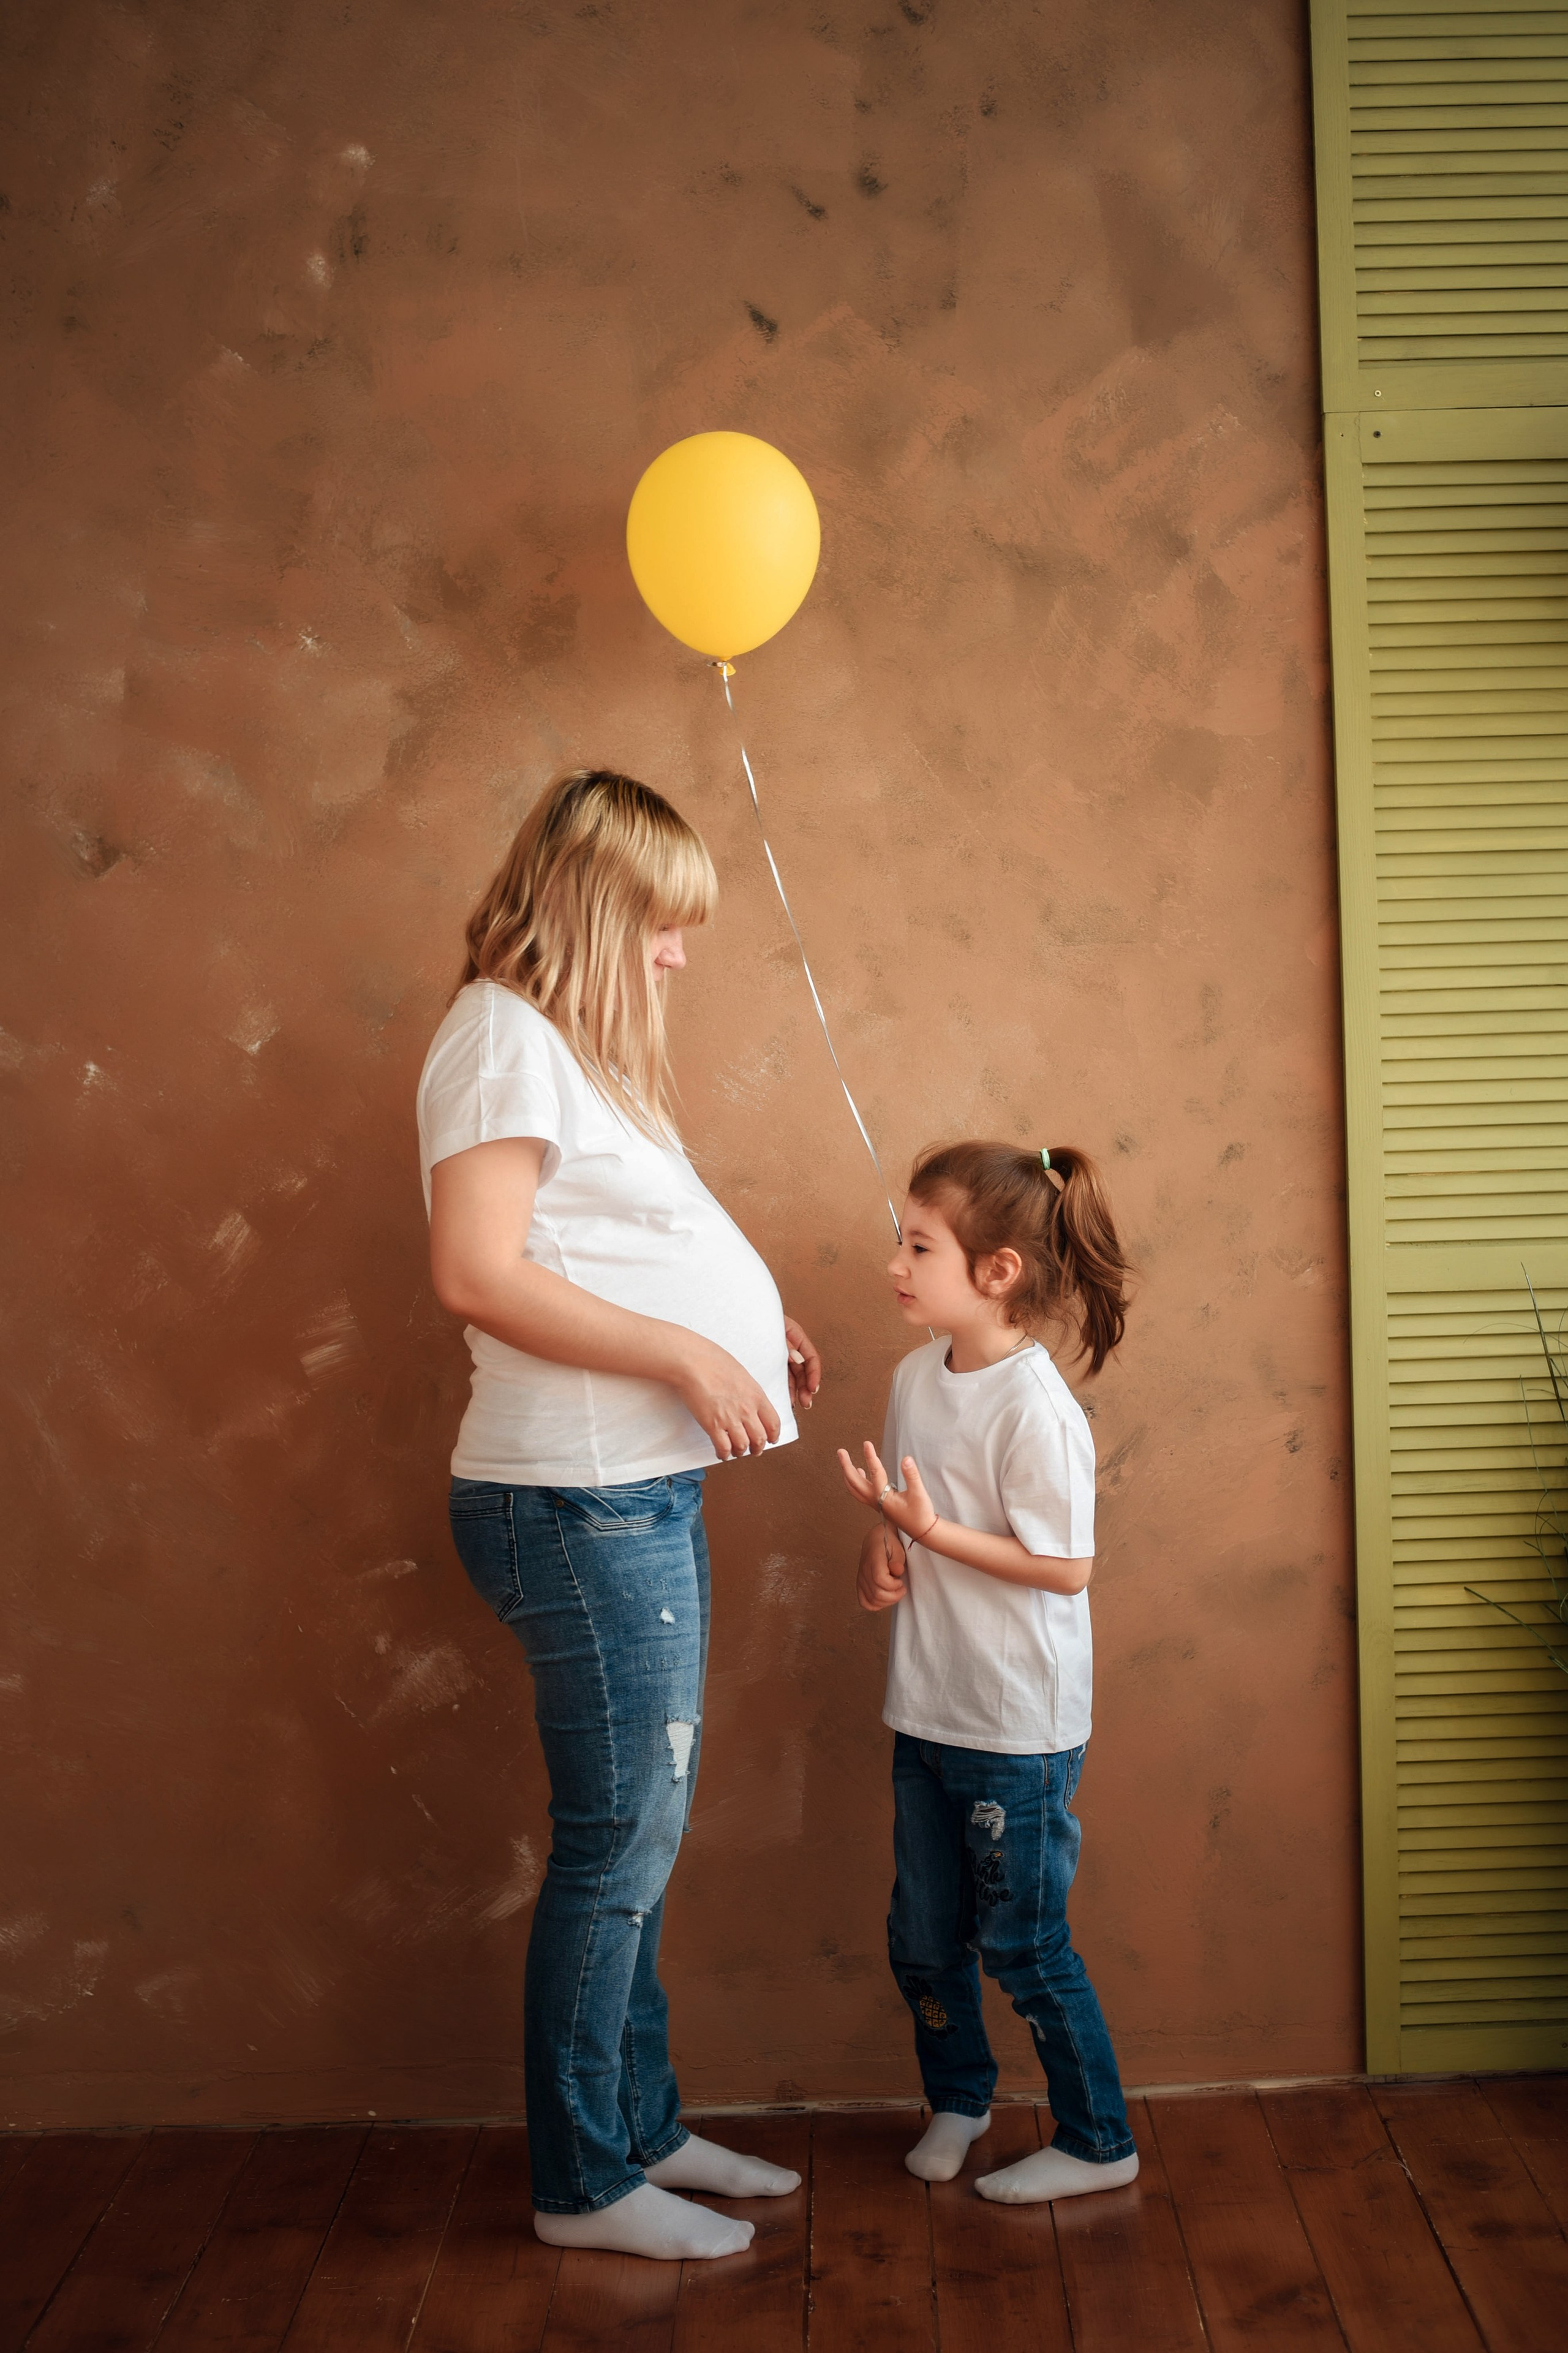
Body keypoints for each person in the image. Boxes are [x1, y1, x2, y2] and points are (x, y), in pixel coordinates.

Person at [419, 769, 821, 2261]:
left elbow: (611, 1237)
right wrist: (686, 1353)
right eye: (662, 922)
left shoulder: (562, 1048)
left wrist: (749, 1325)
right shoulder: (497, 1037)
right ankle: (584, 2181)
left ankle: (641, 2127)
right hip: (575, 1502)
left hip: (630, 1493)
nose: (677, 953)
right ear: (596, 903)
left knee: (636, 1840)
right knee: (615, 1847)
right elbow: (476, 1272)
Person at [837, 1140, 1140, 2203]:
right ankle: (959, 2097)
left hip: (1017, 1730)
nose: (896, 1263)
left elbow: (1066, 1566)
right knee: (923, 1941)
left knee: (1024, 1945)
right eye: (902, 1240)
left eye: (919, 1246)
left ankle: (1099, 2140)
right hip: (927, 1708)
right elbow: (907, 1514)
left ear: (998, 1270)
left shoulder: (1035, 1406)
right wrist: (886, 1545)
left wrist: (931, 1531)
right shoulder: (914, 1376)